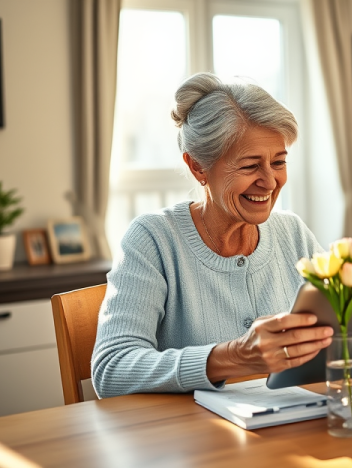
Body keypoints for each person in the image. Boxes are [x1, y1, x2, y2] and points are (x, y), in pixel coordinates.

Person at [92, 73, 333, 398]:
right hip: (191, 429)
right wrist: (234, 356)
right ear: (197, 167)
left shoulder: (293, 233)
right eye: (250, 166)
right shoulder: (152, 240)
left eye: (278, 162)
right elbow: (111, 370)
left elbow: (346, 330)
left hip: (293, 420)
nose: (270, 181)